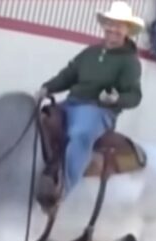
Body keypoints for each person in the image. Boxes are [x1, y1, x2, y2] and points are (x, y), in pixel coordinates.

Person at [35, 1, 144, 209]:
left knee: (80, 134)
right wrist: (47, 88)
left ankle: (61, 192)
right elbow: (68, 75)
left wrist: (116, 100)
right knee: (41, 122)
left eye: (119, 25)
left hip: (98, 110)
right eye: (110, 23)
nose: (113, 29)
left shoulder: (130, 62)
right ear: (105, 25)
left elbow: (134, 96)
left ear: (127, 30)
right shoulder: (90, 53)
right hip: (71, 102)